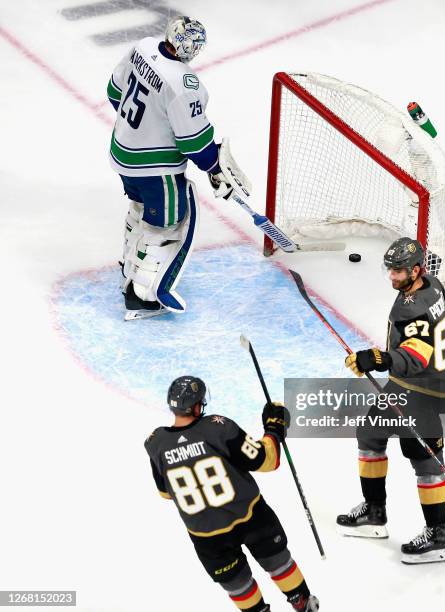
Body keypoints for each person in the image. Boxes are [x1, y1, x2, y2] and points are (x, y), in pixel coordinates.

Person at [337, 237, 445, 564]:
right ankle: (375, 512)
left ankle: (438, 535)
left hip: (421, 389)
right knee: (370, 433)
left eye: (399, 270)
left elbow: (414, 358)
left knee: (424, 458)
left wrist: (376, 359)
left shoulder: (413, 309)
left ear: (416, 269)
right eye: (390, 270)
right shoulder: (433, 286)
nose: (392, 276)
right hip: (411, 384)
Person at [107, 16, 243, 320]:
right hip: (155, 167)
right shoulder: (184, 84)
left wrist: (140, 130)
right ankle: (141, 295)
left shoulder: (142, 48)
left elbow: (114, 92)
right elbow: (193, 143)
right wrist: (213, 166)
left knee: (140, 208)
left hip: (121, 151)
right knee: (165, 226)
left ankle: (129, 269)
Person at [144, 376, 320, 611]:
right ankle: (303, 603)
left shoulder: (155, 443)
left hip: (206, 536)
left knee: (237, 584)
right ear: (197, 406)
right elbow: (266, 461)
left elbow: (165, 493)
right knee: (278, 563)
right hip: (251, 516)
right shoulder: (218, 427)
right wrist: (274, 430)